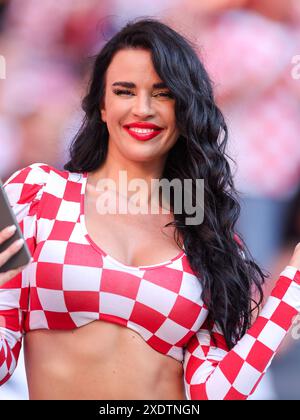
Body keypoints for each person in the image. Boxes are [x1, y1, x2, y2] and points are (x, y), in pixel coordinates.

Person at [0, 18, 299, 400]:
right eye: (125, 91)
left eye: (162, 93)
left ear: (185, 109)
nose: (143, 108)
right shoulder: (37, 192)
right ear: (102, 107)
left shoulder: (210, 236)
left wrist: (293, 288)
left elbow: (215, 394)